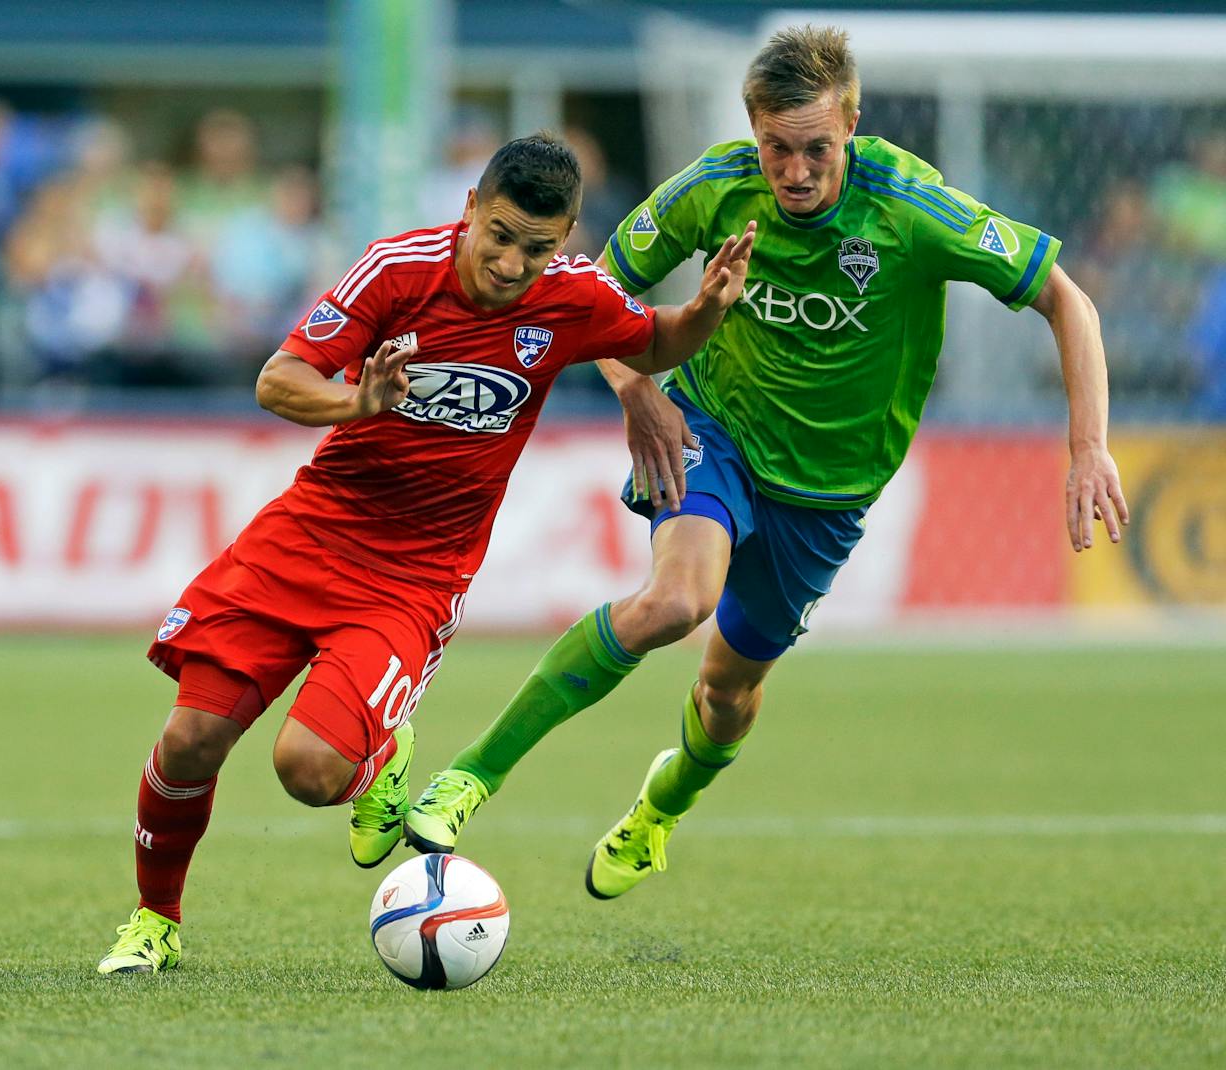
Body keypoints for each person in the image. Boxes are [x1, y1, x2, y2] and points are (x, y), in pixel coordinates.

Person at [404, 26, 1131, 901]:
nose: (794, 172)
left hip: (828, 494)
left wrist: (1088, 447)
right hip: (713, 431)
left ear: (852, 125)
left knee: (727, 692)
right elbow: (592, 284)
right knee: (677, 601)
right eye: (776, 149)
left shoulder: (911, 209)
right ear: (754, 134)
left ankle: (660, 809)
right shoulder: (717, 186)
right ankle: (471, 778)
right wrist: (638, 388)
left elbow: (1067, 298)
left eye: (816, 149)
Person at [95, 133, 755, 973]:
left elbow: (655, 342)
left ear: (568, 236)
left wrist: (707, 309)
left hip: (415, 576)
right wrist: (355, 399)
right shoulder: (397, 270)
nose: (515, 263)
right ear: (470, 209)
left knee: (306, 769)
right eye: (502, 236)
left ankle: (380, 753)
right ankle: (155, 922)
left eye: (538, 246)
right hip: (308, 534)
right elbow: (277, 378)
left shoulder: (573, 295)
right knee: (191, 738)